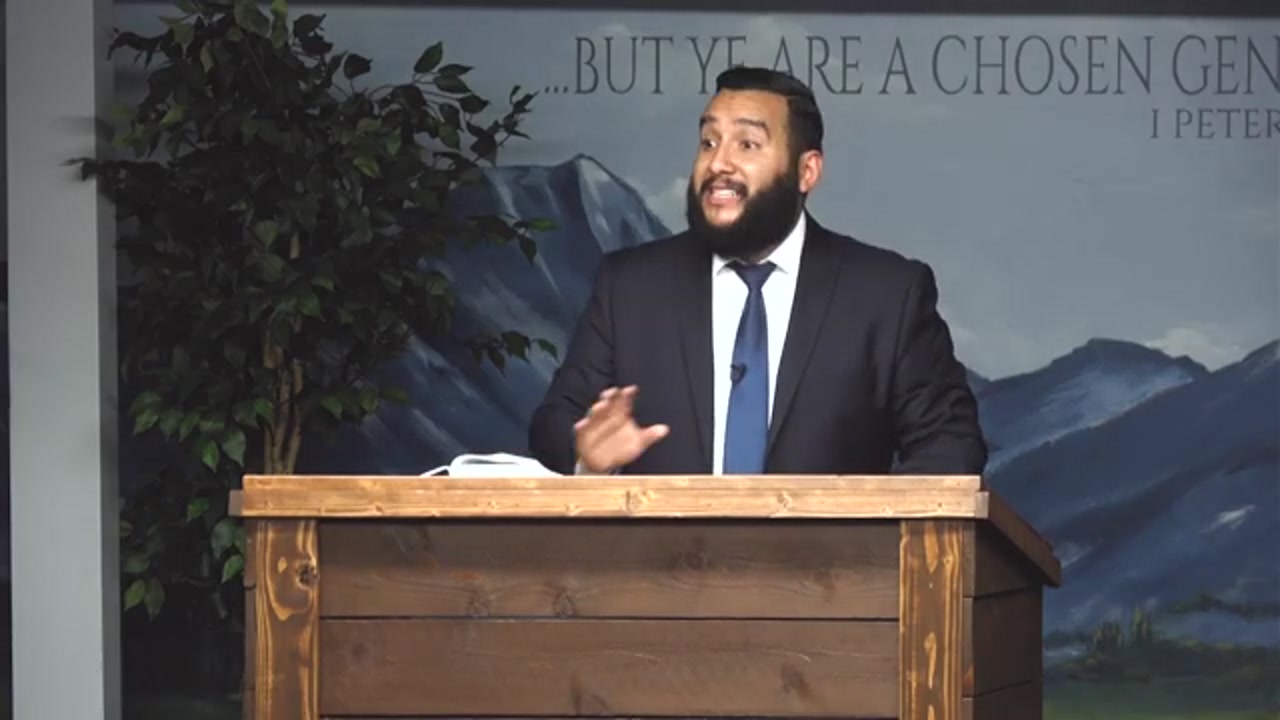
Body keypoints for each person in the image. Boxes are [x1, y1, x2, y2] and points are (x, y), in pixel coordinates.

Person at [527, 66, 986, 476]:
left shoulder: (886, 295)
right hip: (661, 548)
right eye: (708, 142)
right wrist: (588, 455)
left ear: (806, 171)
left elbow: (949, 445)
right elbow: (555, 423)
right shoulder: (630, 286)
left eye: (746, 144)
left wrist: (868, 531)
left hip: (833, 549)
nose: (718, 163)